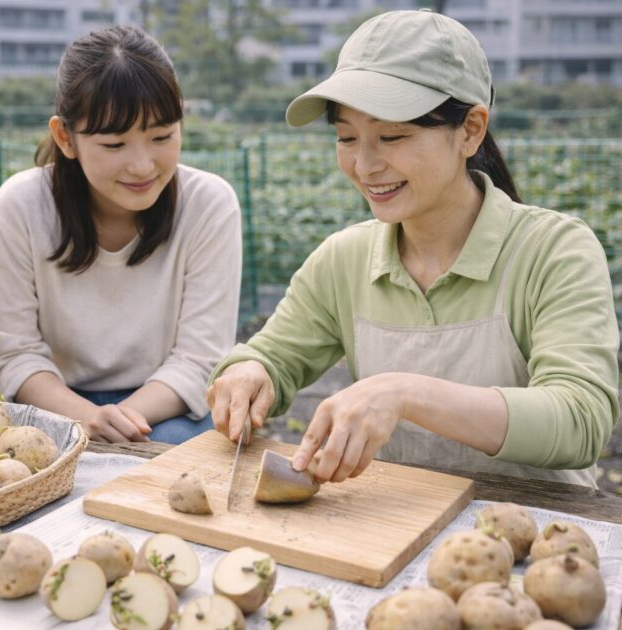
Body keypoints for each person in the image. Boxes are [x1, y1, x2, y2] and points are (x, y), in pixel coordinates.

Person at [206, 9, 619, 487]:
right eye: (346, 137)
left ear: (470, 130)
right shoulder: (345, 259)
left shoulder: (553, 252)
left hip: (537, 541)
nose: (364, 165)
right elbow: (273, 357)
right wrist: (248, 373)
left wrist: (405, 393)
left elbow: (580, 420)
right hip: (393, 533)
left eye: (392, 136)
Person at [0, 25, 242, 445]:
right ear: (66, 137)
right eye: (115, 145)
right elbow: (15, 355)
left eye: (161, 137)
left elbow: (200, 358)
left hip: (166, 405)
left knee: (174, 448)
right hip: (56, 404)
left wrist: (120, 419)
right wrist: (85, 417)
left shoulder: (208, 204)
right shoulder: (20, 206)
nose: (142, 165)